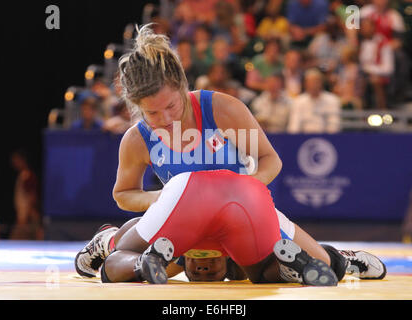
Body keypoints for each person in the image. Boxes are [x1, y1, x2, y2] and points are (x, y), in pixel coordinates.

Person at [74, 24, 365, 281]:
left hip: (238, 210)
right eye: (152, 112)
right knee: (153, 266)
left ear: (183, 86)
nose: (165, 119)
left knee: (318, 266)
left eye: (172, 106)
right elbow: (123, 193)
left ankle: (341, 259)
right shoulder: (137, 138)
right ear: (136, 107)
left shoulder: (222, 110)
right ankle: (110, 241)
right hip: (183, 223)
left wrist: (240, 192)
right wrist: (167, 197)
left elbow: (269, 160)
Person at [75, 170, 386, 284]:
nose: (205, 268)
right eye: (202, 262)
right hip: (241, 202)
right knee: (262, 271)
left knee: (125, 254)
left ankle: (339, 259)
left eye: (205, 261)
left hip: (234, 202)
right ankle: (321, 264)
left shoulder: (175, 255)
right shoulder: (175, 259)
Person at [287, 68, 341, 133]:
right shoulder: (299, 101)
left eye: (315, 82)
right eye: (309, 82)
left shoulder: (332, 100)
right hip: (302, 138)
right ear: (305, 84)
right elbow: (294, 126)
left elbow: (334, 125)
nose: (312, 85)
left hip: (326, 138)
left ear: (321, 83)